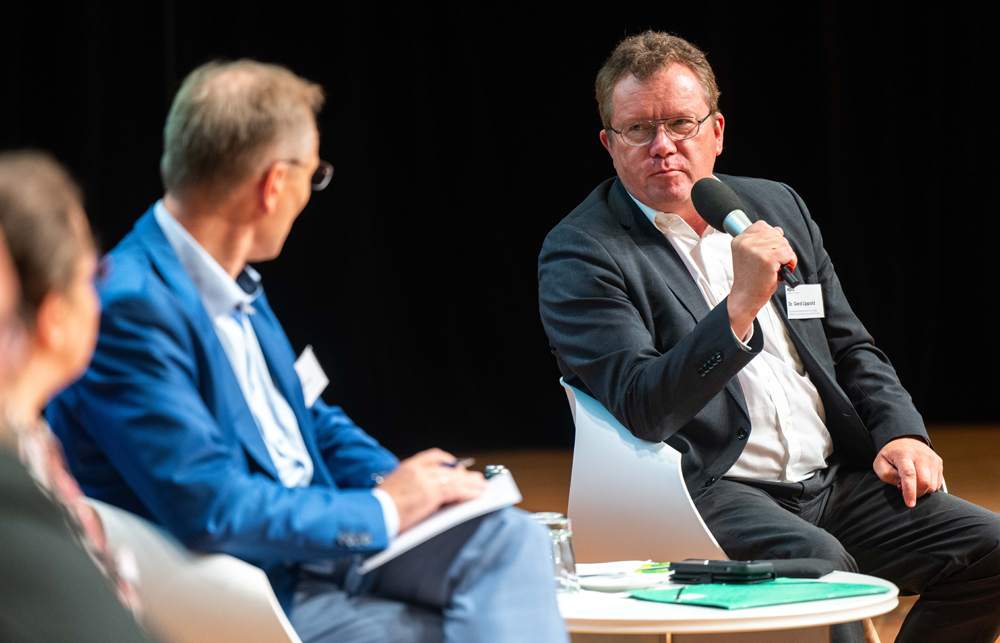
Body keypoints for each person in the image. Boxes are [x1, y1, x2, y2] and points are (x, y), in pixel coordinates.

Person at [47, 60, 566, 643]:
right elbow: (211, 507)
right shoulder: (128, 308)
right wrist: (384, 510)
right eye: (314, 175)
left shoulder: (231, 276)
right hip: (257, 584)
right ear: (273, 186)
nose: (310, 192)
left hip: (325, 539)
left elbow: (306, 417)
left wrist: (413, 485)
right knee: (455, 628)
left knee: (511, 538)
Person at [537, 31, 1000, 643]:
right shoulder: (582, 252)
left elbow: (848, 344)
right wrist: (738, 308)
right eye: (638, 130)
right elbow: (643, 406)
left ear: (717, 131)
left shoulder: (772, 204)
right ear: (609, 144)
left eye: (681, 123)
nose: (663, 147)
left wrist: (901, 432)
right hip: (710, 489)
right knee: (826, 576)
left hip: (830, 479)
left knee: (991, 551)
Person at [0, 150, 150, 642]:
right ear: (54, 316)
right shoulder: (11, 487)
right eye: (92, 278)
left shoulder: (28, 436)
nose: (98, 300)